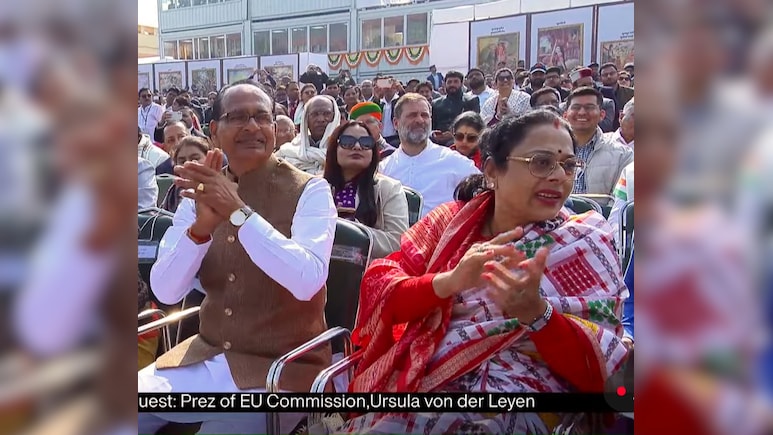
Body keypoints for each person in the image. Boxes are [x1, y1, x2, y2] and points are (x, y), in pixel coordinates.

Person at [340, 110, 627, 434]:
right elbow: (382, 288)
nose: (559, 176)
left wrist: (537, 314)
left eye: (568, 165)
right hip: (424, 385)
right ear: (492, 170)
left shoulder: (585, 241)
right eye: (541, 162)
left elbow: (602, 368)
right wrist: (446, 283)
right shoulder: (449, 225)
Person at [139, 80, 337, 435]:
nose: (252, 126)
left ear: (276, 129)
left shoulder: (312, 191)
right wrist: (200, 230)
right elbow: (166, 292)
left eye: (262, 117)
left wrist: (238, 212)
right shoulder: (199, 194)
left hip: (283, 372)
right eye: (238, 117)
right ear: (214, 130)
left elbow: (307, 281)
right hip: (206, 359)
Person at [379, 94, 479, 217]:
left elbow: (484, 197)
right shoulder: (384, 169)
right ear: (395, 123)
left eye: (424, 115)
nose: (420, 120)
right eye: (412, 115)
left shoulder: (454, 162)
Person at [324, 121, 409, 258]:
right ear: (335, 148)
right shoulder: (317, 187)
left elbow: (397, 242)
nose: (357, 147)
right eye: (347, 141)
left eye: (366, 142)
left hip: (368, 271)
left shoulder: (389, 188)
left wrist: (350, 231)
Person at [563, 87, 632, 199]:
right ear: (565, 115)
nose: (582, 113)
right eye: (576, 107)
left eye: (589, 108)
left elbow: (620, 201)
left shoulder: (622, 155)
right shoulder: (551, 150)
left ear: (602, 115)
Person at [277, 95, 342, 175]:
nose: (320, 119)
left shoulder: (344, 149)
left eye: (326, 114)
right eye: (315, 114)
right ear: (306, 118)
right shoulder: (288, 152)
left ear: (335, 117)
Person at [430, 70, 480, 146]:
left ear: (461, 83)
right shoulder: (436, 103)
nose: (452, 84)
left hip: (462, 140)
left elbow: (474, 125)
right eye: (449, 82)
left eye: (456, 82)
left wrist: (453, 135)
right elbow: (432, 126)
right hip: (438, 142)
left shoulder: (471, 100)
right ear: (444, 84)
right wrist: (435, 134)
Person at [161, 135, 209, 213]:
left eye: (195, 158)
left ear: (208, 157)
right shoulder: (173, 192)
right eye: (182, 161)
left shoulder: (220, 188)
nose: (188, 164)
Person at [562, 67, 616, 132]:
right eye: (584, 85)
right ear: (574, 88)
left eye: (590, 84)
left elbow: (606, 127)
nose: (588, 88)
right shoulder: (563, 107)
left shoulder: (607, 104)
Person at [599, 63, 634, 130]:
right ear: (600, 78)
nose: (609, 76)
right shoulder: (596, 94)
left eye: (612, 73)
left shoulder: (631, 93)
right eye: (605, 75)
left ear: (617, 75)